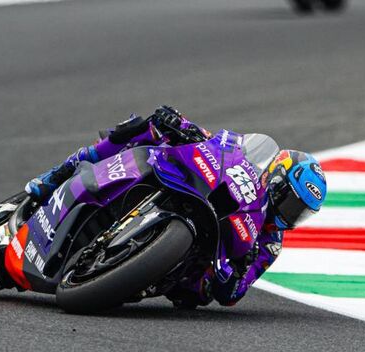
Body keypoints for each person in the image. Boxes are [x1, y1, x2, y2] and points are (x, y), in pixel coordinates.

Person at [24, 106, 327, 308]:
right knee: (149, 127)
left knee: (198, 294)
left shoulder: (270, 243)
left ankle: (126, 272)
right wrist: (181, 124)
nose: (289, 215)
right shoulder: (244, 156)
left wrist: (237, 268)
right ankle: (59, 173)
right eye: (290, 202)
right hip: (194, 188)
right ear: (275, 178)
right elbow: (216, 141)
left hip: (195, 269)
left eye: (299, 213)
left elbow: (233, 294)